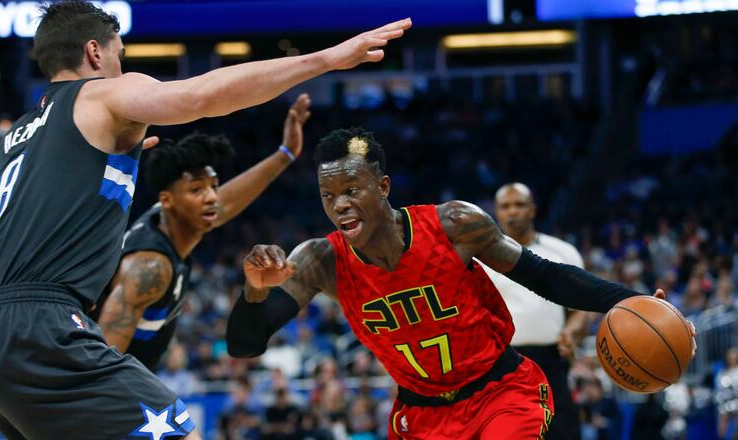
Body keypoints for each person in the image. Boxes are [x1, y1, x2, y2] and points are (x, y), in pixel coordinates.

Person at [0, 1, 410, 438]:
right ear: (94, 51)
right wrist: (326, 58)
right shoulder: (101, 94)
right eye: (120, 56)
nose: (123, 69)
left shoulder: (14, 141)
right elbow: (203, 96)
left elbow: (56, 198)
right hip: (38, 323)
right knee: (178, 431)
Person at [226, 127, 694, 439]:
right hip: (422, 413)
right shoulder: (320, 260)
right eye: (329, 196)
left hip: (500, 392)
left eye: (353, 190)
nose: (340, 205)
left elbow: (546, 276)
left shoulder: (454, 225)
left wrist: (633, 300)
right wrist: (253, 290)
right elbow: (245, 344)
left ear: (384, 187)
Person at [94, 94, 311, 371]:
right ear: (168, 199)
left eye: (213, 186)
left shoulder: (169, 219)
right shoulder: (149, 267)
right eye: (197, 190)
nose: (211, 197)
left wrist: (286, 154)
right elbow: (98, 365)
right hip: (102, 390)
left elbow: (226, 203)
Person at [482, 182, 588, 440]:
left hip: (551, 359)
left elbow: (580, 309)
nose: (512, 212)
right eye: (505, 206)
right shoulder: (478, 257)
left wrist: (571, 332)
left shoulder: (563, 251)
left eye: (519, 205)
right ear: (496, 212)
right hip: (498, 363)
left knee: (561, 432)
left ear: (533, 210)